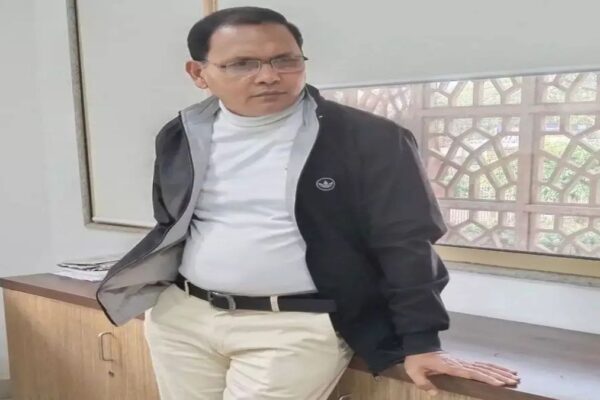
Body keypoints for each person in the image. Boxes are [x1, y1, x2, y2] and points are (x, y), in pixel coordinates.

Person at [96, 6, 520, 399]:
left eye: (285, 60)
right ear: (198, 73)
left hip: (293, 328)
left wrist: (422, 341)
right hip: (183, 318)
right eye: (242, 64)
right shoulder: (181, 134)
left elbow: (406, 243)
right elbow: (173, 220)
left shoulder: (369, 138)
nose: (268, 76)